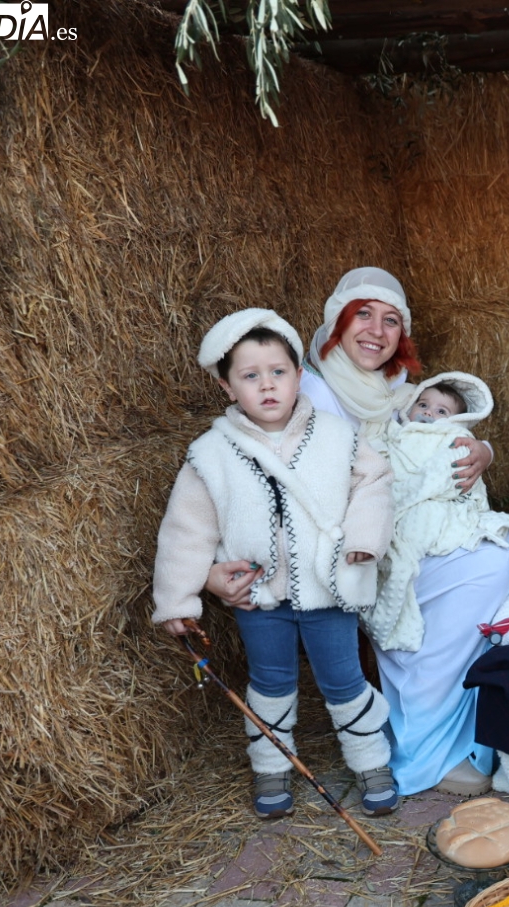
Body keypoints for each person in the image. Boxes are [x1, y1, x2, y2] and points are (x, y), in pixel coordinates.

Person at [208, 270, 509, 798]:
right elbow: (256, 480)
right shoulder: (308, 389)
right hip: (347, 538)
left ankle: (472, 727)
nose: (377, 329)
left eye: (391, 320)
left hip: (398, 519)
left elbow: (435, 430)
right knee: (479, 574)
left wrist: (483, 452)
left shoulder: (394, 389)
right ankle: (428, 740)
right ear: (336, 324)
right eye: (362, 314)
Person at [152, 309, 399, 819]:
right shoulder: (212, 453)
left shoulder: (337, 436)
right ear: (227, 387)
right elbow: (187, 528)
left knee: (343, 679)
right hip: (258, 596)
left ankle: (371, 760)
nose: (267, 386)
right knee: (270, 680)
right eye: (249, 376)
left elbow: (374, 483)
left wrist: (363, 538)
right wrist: (178, 598)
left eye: (278, 372)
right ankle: (271, 766)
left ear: (299, 376)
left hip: (328, 590)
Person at [367, 370, 509, 658]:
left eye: (441, 411)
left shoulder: (454, 437)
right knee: (403, 550)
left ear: (454, 420)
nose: (428, 413)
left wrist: (482, 449)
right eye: (423, 405)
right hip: (396, 507)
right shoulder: (394, 433)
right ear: (409, 406)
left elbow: (453, 469)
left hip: (432, 505)